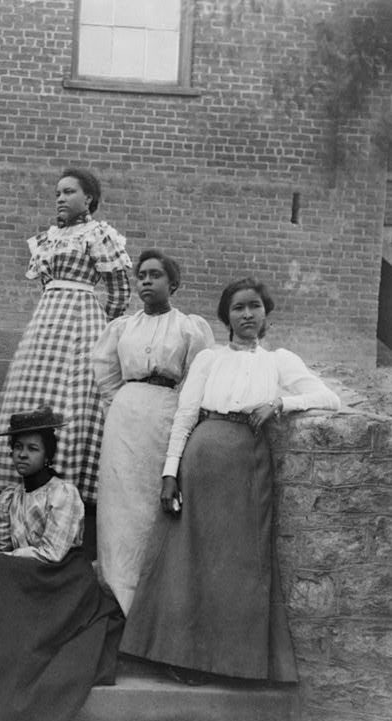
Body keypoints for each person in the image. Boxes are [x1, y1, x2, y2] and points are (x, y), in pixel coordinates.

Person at [120, 277, 340, 682]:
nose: (247, 315)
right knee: (189, 558)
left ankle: (232, 663)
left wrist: (281, 403)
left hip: (247, 466)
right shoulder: (210, 359)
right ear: (227, 317)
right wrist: (170, 473)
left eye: (254, 306)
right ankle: (182, 659)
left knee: (238, 563)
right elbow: (186, 415)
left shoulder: (279, 362)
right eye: (238, 308)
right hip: (202, 459)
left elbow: (329, 398)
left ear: (266, 312)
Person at [0, 406, 124, 721]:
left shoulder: (63, 494)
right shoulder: (9, 498)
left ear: (48, 454)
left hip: (61, 578)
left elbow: (52, 552)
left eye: (32, 448)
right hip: (23, 574)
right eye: (17, 447)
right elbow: (1, 544)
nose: (22, 455)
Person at [0, 167, 131, 556]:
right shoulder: (48, 238)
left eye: (69, 192)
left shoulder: (98, 235)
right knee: (34, 388)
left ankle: (70, 479)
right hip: (48, 319)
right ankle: (30, 470)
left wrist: (99, 324)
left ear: (89, 200)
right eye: (57, 193)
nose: (60, 198)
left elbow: (118, 291)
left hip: (81, 318)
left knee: (76, 397)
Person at [92, 249, 214, 615]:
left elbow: (198, 375)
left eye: (155, 275)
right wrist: (123, 402)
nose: (145, 281)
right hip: (125, 418)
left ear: (173, 284)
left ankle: (151, 609)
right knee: (120, 506)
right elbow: (106, 371)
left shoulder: (188, 327)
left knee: (152, 505)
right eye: (141, 275)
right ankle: (118, 600)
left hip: (165, 414)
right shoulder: (123, 327)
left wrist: (176, 408)